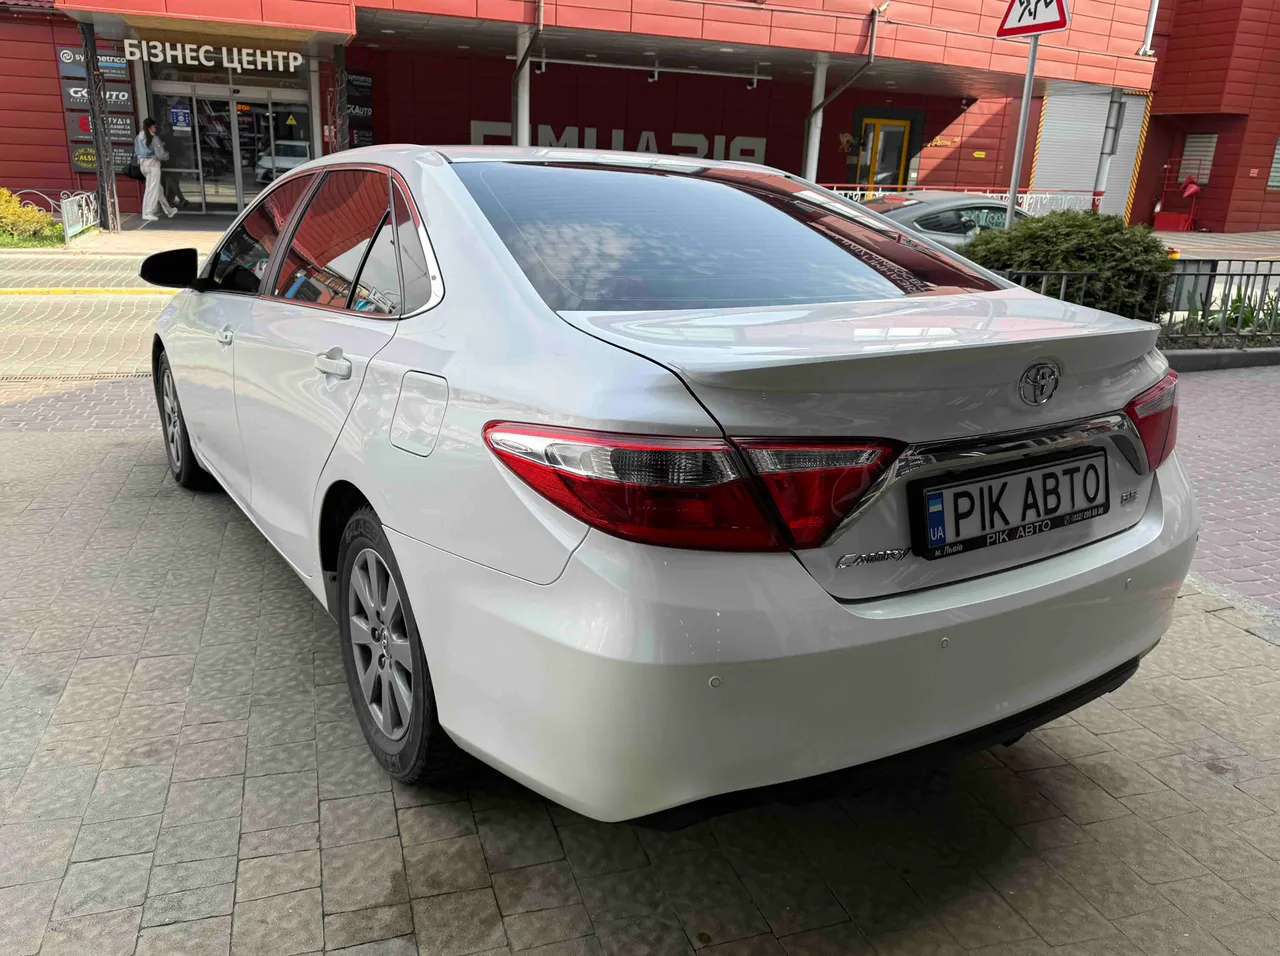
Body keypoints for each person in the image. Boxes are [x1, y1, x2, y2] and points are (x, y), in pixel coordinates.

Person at [135, 118, 176, 222]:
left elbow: (136, 151)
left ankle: (169, 210)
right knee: (152, 190)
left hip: (143, 165)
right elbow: (160, 155)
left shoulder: (138, 138)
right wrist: (167, 155)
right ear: (151, 127)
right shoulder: (154, 139)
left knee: (156, 189)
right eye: (155, 127)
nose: (155, 128)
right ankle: (148, 212)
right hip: (153, 165)